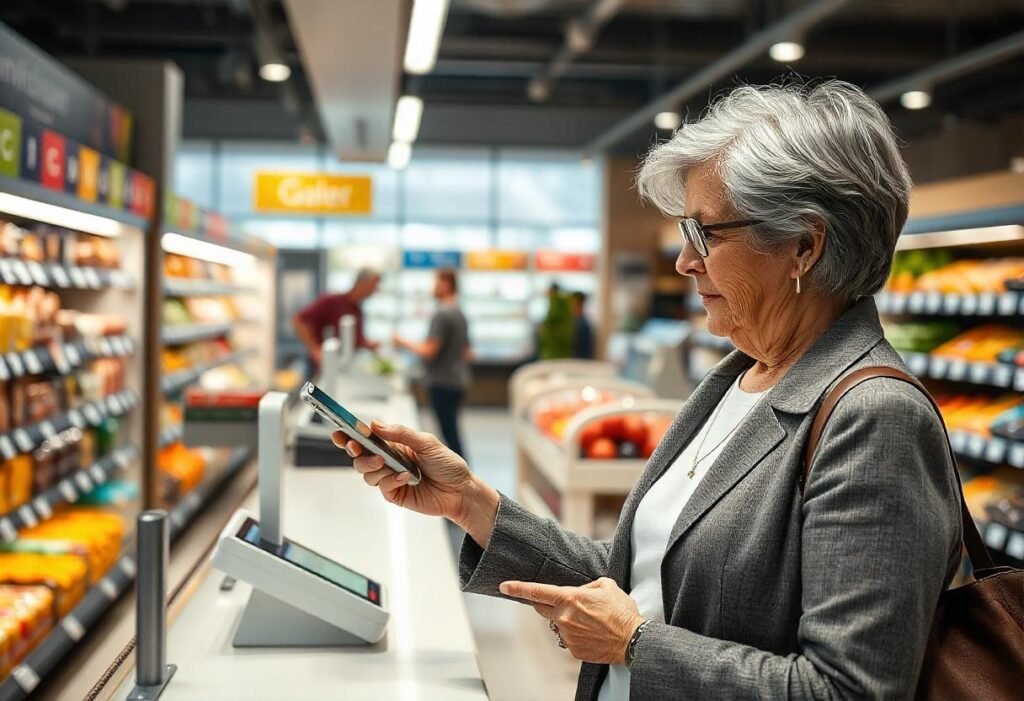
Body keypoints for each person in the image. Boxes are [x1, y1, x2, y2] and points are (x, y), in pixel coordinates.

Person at [334, 81, 962, 700]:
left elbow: (851, 690)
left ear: (804, 244)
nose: (687, 262)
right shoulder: (733, 381)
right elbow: (643, 578)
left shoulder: (875, 419)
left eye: (706, 234)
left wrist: (636, 644)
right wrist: (470, 502)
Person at [393, 269, 471, 457]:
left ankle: (459, 479)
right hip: (458, 379)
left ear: (446, 284)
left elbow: (430, 351)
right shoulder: (459, 312)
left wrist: (402, 342)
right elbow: (467, 352)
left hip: (442, 382)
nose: (433, 287)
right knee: (451, 432)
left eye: (435, 282)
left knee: (449, 436)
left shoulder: (442, 314)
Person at [293, 268, 380, 372]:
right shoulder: (332, 302)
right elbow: (299, 320)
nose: (375, 290)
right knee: (313, 388)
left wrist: (367, 344)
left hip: (342, 367)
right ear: (362, 283)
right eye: (373, 286)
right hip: (320, 368)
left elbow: (353, 341)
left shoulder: (357, 310)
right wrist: (314, 349)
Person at [570, 291, 595, 359]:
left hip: (578, 362)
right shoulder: (572, 321)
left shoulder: (583, 325)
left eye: (574, 303)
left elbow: (586, 352)